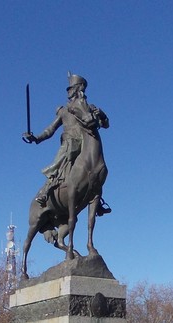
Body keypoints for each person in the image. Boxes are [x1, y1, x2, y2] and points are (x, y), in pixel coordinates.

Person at [23, 72, 111, 215]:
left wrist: (101, 114)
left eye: (71, 88)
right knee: (61, 160)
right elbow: (50, 129)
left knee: (96, 165)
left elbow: (105, 125)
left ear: (79, 88)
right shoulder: (64, 111)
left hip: (86, 141)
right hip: (70, 143)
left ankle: (97, 199)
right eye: (68, 89)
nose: (69, 92)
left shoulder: (88, 108)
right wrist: (36, 138)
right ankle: (46, 189)